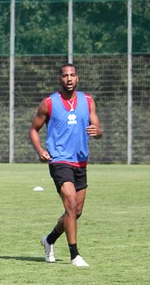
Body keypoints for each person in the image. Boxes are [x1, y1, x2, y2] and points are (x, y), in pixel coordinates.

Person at [29, 63, 104, 267]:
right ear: (60, 79)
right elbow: (34, 129)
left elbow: (98, 129)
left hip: (81, 161)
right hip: (59, 160)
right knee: (70, 204)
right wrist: (40, 150)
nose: (69, 79)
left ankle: (49, 239)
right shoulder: (49, 103)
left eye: (72, 75)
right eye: (65, 75)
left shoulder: (87, 101)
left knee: (76, 211)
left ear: (77, 78)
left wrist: (99, 132)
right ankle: (75, 255)